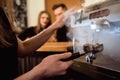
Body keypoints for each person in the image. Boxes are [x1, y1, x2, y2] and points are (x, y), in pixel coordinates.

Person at [0, 5, 74, 80]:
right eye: (43, 18)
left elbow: (23, 47)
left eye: (47, 18)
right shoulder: (32, 29)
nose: (45, 20)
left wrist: (55, 25)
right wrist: (40, 71)